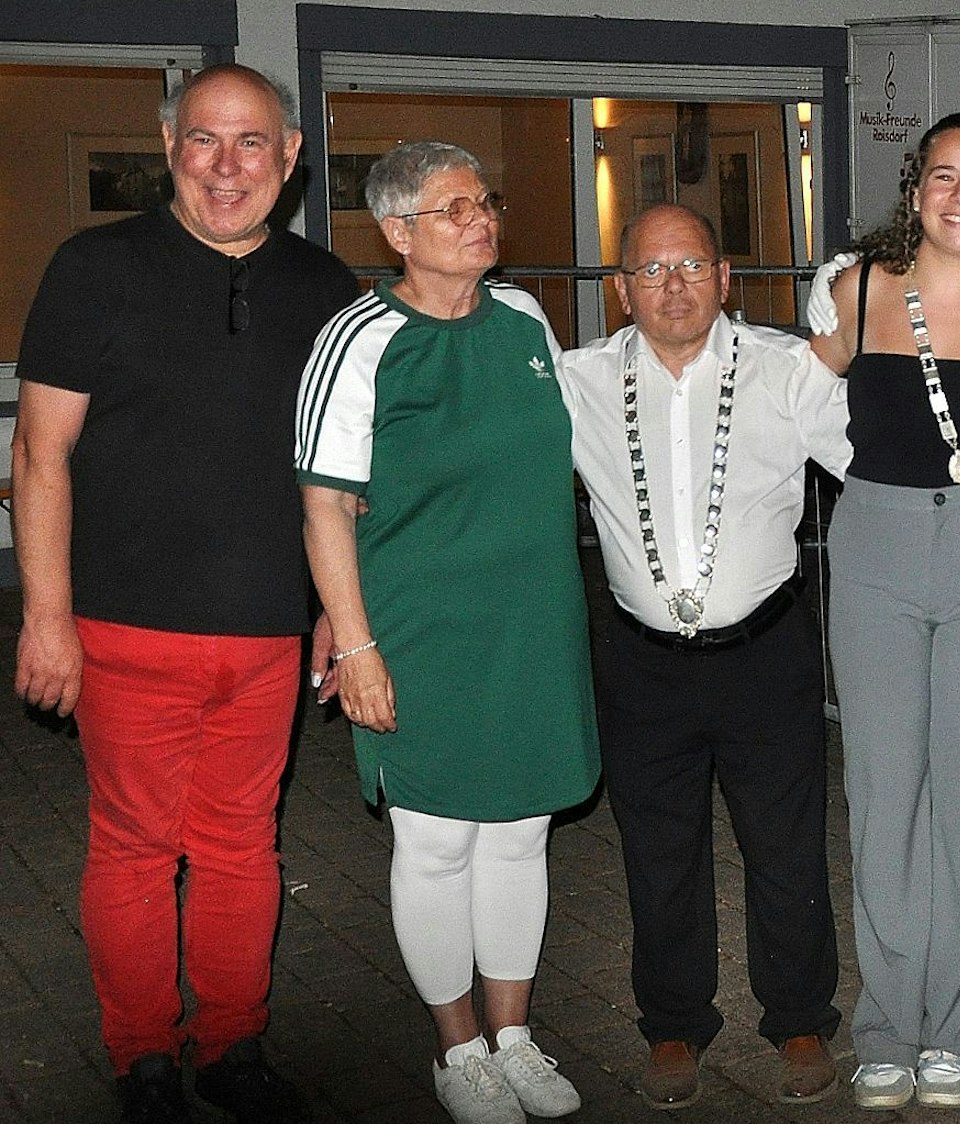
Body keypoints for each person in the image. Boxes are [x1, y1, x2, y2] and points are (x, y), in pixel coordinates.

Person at [13, 63, 353, 1124]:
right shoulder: (93, 268)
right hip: (123, 624)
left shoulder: (325, 287)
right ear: (168, 144)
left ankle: (232, 1045)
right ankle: (142, 1054)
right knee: (132, 845)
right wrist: (46, 615)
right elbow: (40, 455)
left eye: (251, 142)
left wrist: (344, 613)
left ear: (290, 157)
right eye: (204, 139)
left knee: (245, 845)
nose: (226, 165)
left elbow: (339, 477)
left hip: (263, 630)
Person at [296, 141, 599, 1124]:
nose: (482, 220)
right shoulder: (360, 339)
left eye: (484, 200)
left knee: (518, 834)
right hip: (417, 631)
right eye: (453, 208)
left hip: (530, 625)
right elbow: (325, 507)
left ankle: (513, 1035)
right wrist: (354, 643)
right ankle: (457, 1048)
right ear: (397, 233)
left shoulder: (521, 317)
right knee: (435, 842)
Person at [559, 203, 847, 1110]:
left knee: (786, 844)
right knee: (657, 848)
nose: (674, 285)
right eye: (651, 270)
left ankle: (799, 1017)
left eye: (692, 266)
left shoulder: (784, 371)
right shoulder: (575, 381)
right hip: (641, 660)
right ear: (619, 291)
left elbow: (878, 465)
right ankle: (674, 1024)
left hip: (766, 651)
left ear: (726, 279)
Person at [810, 112, 960, 1112]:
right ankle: (887, 1026)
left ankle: (954, 1028)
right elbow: (793, 402)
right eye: (942, 177)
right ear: (914, 192)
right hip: (876, 548)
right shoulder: (859, 289)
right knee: (884, 790)